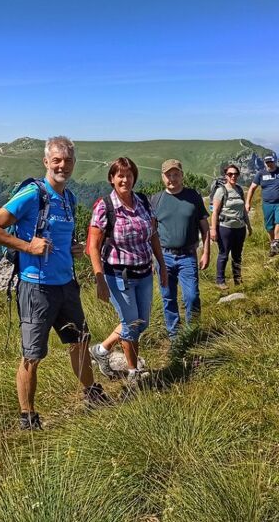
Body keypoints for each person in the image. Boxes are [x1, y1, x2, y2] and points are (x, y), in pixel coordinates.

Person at [0, 136, 109, 431]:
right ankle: (28, 418)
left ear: (74, 163)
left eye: (67, 161)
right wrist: (27, 247)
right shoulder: (32, 194)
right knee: (32, 355)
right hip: (36, 288)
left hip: (66, 285)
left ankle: (91, 395)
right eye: (57, 160)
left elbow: (61, 238)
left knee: (79, 342)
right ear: (46, 162)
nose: (62, 165)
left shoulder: (69, 198)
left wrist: (76, 248)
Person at [87, 157, 167, 388]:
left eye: (129, 175)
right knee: (131, 324)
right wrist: (99, 278)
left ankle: (101, 350)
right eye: (120, 175)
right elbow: (92, 246)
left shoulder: (142, 201)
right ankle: (133, 374)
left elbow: (152, 235)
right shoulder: (105, 206)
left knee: (141, 323)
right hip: (118, 275)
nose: (125, 179)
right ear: (112, 179)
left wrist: (161, 264)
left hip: (144, 273)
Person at [151, 159, 210, 340]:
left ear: (182, 175)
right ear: (162, 178)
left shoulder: (193, 196)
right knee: (168, 298)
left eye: (176, 174)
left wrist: (206, 252)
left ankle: (192, 334)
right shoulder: (156, 200)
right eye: (168, 175)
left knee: (191, 297)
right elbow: (151, 232)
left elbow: (204, 227)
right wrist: (153, 258)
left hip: (188, 256)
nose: (172, 178)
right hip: (163, 257)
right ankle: (175, 338)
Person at [210, 163, 251, 290]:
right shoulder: (221, 191)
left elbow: (243, 209)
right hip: (225, 227)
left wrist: (248, 225)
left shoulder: (239, 189)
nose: (233, 176)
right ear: (226, 176)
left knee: (237, 255)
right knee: (224, 254)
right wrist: (213, 229)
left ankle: (238, 279)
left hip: (240, 227)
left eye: (235, 174)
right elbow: (215, 211)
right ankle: (220, 280)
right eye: (230, 174)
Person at [245, 154, 279, 257]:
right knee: (269, 226)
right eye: (267, 162)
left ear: (274, 161)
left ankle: (276, 242)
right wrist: (248, 202)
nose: (269, 164)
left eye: (270, 162)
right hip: (267, 204)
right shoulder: (261, 174)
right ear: (265, 163)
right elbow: (252, 188)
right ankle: (273, 245)